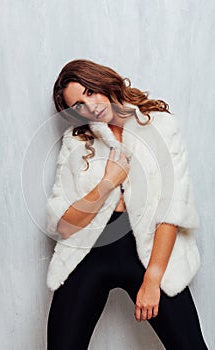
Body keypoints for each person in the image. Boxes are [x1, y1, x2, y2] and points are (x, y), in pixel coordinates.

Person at [46, 59, 208, 350]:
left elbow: (173, 208)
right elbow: (65, 225)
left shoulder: (160, 125)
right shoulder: (77, 141)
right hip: (89, 251)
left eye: (90, 92)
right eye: (79, 105)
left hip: (149, 250)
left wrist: (153, 279)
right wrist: (107, 182)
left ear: (102, 81)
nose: (90, 106)